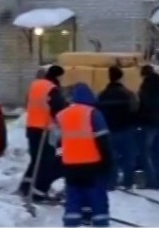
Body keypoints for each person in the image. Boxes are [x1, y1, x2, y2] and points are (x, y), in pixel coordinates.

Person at [56, 83, 113, 227]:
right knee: (97, 199)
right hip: (93, 166)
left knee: (73, 199)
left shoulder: (62, 115)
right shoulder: (93, 113)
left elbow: (56, 143)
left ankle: (71, 223)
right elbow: (103, 140)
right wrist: (108, 163)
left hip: (70, 167)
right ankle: (100, 224)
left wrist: (59, 162)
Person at [20, 65, 68, 202]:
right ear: (58, 76)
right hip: (44, 129)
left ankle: (26, 186)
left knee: (36, 160)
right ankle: (39, 192)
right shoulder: (52, 89)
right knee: (46, 162)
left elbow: (29, 104)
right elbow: (59, 108)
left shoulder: (35, 85)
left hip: (31, 127)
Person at [97, 66, 139, 190]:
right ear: (121, 78)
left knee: (112, 157)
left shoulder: (102, 95)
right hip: (127, 129)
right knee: (129, 157)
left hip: (110, 130)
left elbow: (99, 113)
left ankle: (111, 182)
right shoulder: (129, 94)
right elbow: (135, 110)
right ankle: (128, 182)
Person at [137, 64, 159, 190]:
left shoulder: (146, 87)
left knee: (146, 153)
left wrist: (140, 122)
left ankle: (151, 181)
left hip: (150, 124)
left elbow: (143, 106)